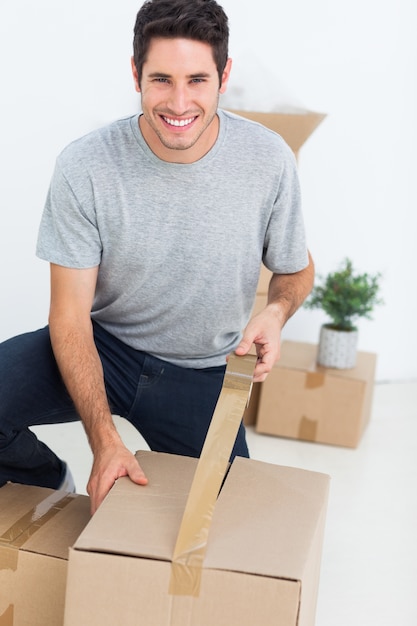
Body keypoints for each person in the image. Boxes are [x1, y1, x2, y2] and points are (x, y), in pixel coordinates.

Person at [0, 0, 314, 514]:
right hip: (104, 346)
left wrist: (277, 312)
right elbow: (69, 315)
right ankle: (46, 480)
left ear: (224, 75)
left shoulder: (267, 159)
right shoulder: (86, 164)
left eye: (196, 80)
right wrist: (103, 442)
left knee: (229, 519)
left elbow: (297, 267)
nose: (179, 102)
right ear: (136, 74)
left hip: (201, 370)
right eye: (162, 79)